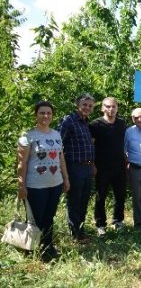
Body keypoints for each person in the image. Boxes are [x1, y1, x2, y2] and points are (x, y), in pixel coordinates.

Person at [17, 101, 70, 261]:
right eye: (42, 113)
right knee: (35, 219)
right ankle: (30, 249)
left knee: (49, 217)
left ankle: (47, 247)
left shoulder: (56, 134)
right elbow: (22, 163)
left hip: (55, 183)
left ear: (52, 116)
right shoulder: (27, 136)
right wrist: (21, 185)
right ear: (36, 114)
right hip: (35, 186)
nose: (46, 116)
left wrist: (66, 178)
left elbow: (61, 159)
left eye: (49, 113)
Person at [59, 93, 96, 243]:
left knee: (84, 200)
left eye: (90, 106)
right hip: (74, 167)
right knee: (74, 201)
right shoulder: (69, 120)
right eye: (84, 105)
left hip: (87, 168)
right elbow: (58, 144)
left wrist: (92, 165)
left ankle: (81, 230)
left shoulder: (86, 123)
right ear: (77, 105)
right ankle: (75, 234)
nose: (87, 108)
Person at [89, 97, 127, 236]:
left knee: (120, 195)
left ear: (117, 108)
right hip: (102, 167)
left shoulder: (122, 123)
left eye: (113, 107)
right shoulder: (95, 125)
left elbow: (124, 144)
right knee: (101, 196)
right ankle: (100, 224)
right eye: (108, 106)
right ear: (102, 108)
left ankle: (118, 221)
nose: (111, 109)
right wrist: (92, 164)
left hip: (119, 166)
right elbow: (91, 146)